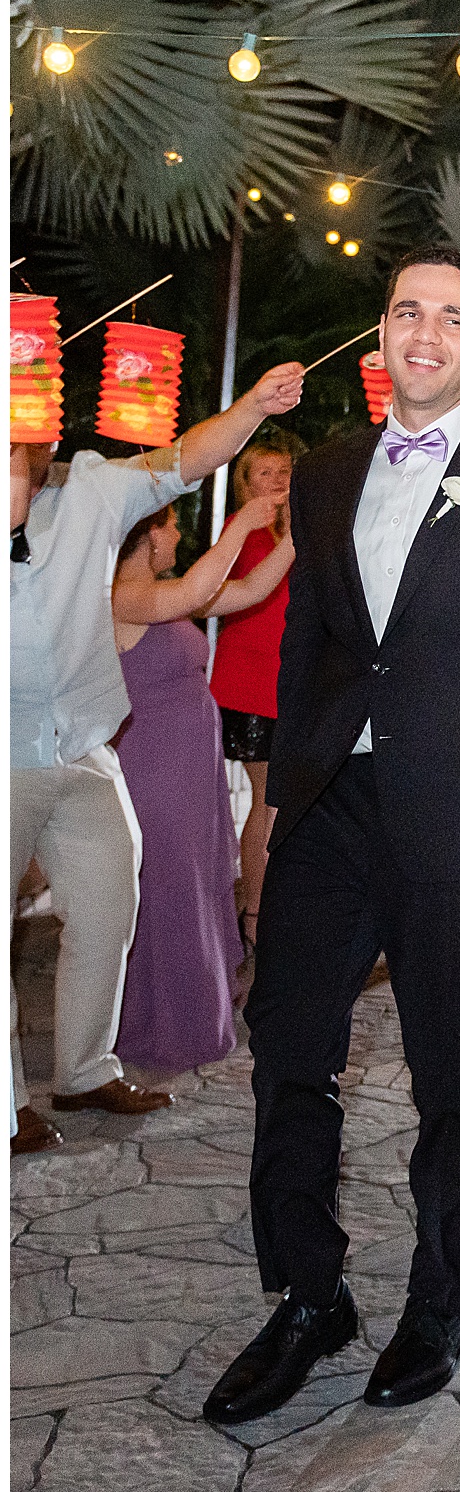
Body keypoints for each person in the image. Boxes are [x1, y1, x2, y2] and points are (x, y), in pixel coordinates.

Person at [203, 242, 460, 1426]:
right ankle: (306, 1291)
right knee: (287, 1039)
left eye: (451, 317)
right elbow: (312, 654)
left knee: (448, 1066)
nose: (425, 333)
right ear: (380, 335)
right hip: (333, 810)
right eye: (405, 313)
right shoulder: (330, 473)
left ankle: (440, 1297)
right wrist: (276, 809)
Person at [10, 354, 306, 1154]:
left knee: (111, 906)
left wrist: (250, 406)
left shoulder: (94, 491)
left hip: (88, 747)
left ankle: (84, 1068)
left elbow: (186, 459)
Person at [110, 494, 291, 1076]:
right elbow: (194, 590)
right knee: (169, 885)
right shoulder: (124, 596)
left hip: (192, 765)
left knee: (204, 875)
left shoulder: (163, 597)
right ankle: (162, 1025)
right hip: (153, 762)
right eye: (169, 527)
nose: (177, 539)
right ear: (147, 536)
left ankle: (197, 1011)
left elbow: (251, 590)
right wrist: (242, 523)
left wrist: (295, 535)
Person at [207, 436, 300, 964]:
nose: (275, 480)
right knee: (269, 802)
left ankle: (262, 910)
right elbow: (238, 592)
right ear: (244, 483)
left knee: (274, 803)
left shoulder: (295, 530)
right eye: (262, 473)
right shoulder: (240, 531)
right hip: (251, 684)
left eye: (282, 470)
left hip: (289, 684)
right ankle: (257, 916)